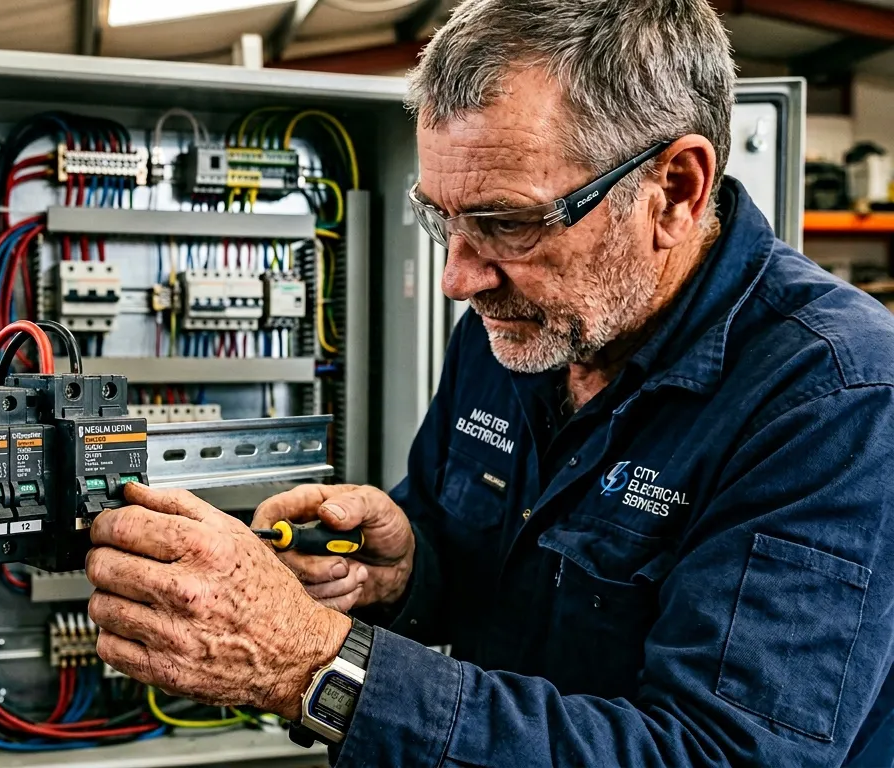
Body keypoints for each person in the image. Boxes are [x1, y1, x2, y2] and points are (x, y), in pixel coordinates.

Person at [84, 0, 894, 764]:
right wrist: (403, 572)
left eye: (508, 222)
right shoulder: (515, 329)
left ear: (675, 189)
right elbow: (466, 552)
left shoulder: (839, 400)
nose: (458, 278)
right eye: (442, 218)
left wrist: (315, 668)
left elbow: (713, 753)